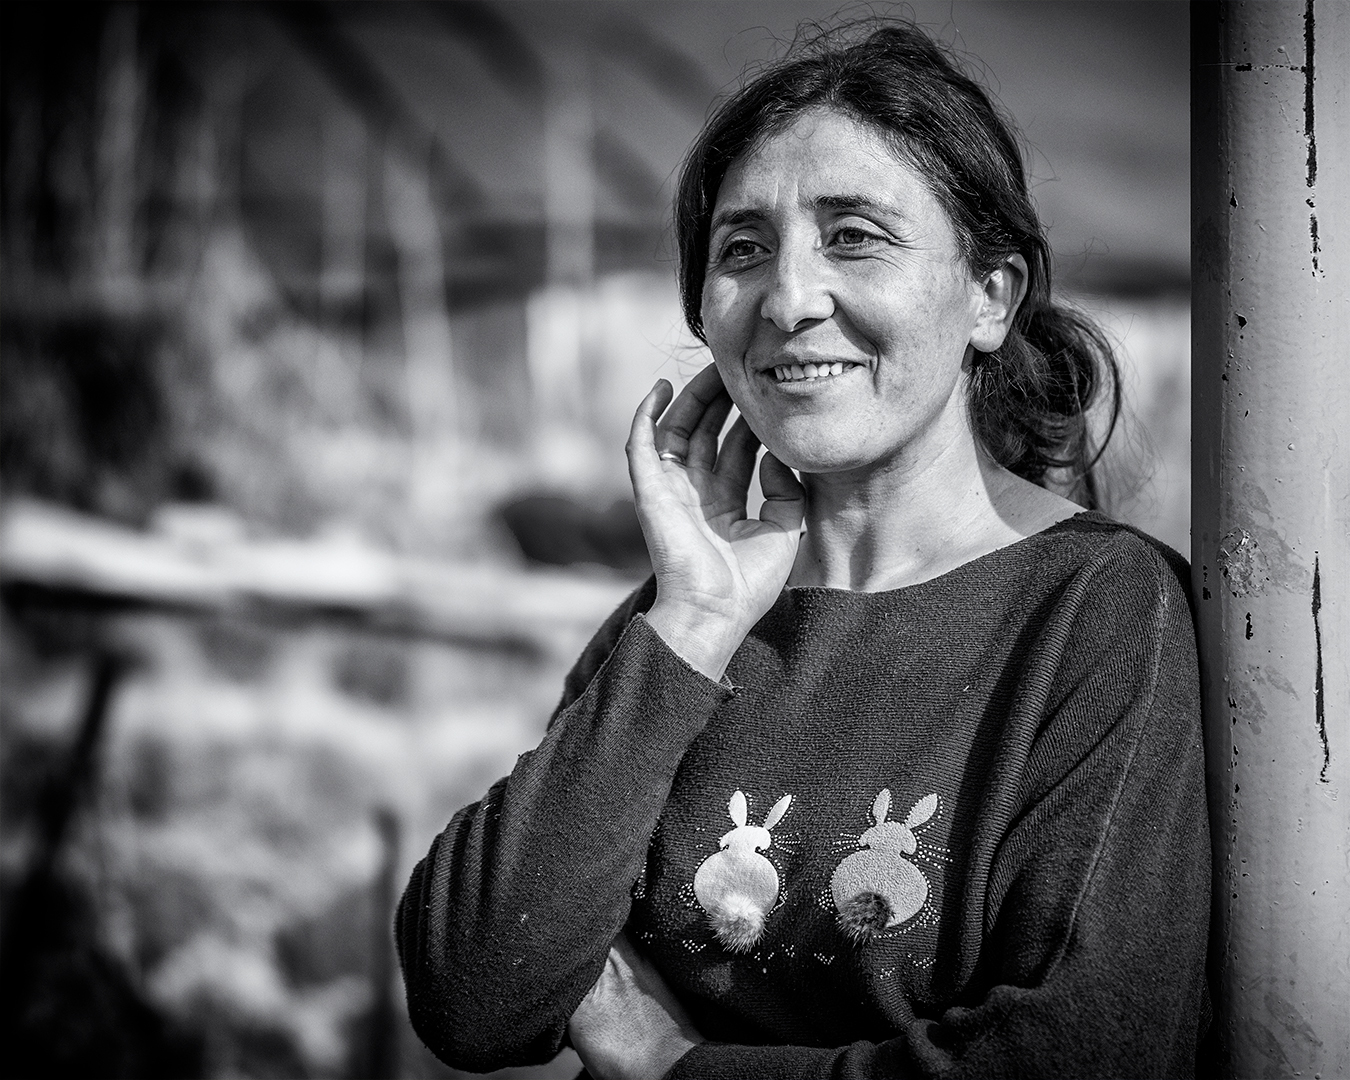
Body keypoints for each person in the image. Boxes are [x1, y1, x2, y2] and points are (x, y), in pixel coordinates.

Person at [397, 21, 1210, 1080]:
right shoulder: (681, 622)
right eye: (743, 250)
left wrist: (673, 1068)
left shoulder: (1100, 612)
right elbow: (472, 999)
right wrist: (692, 621)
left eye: (855, 236)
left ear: (990, 297)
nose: (787, 300)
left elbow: (1078, 1054)